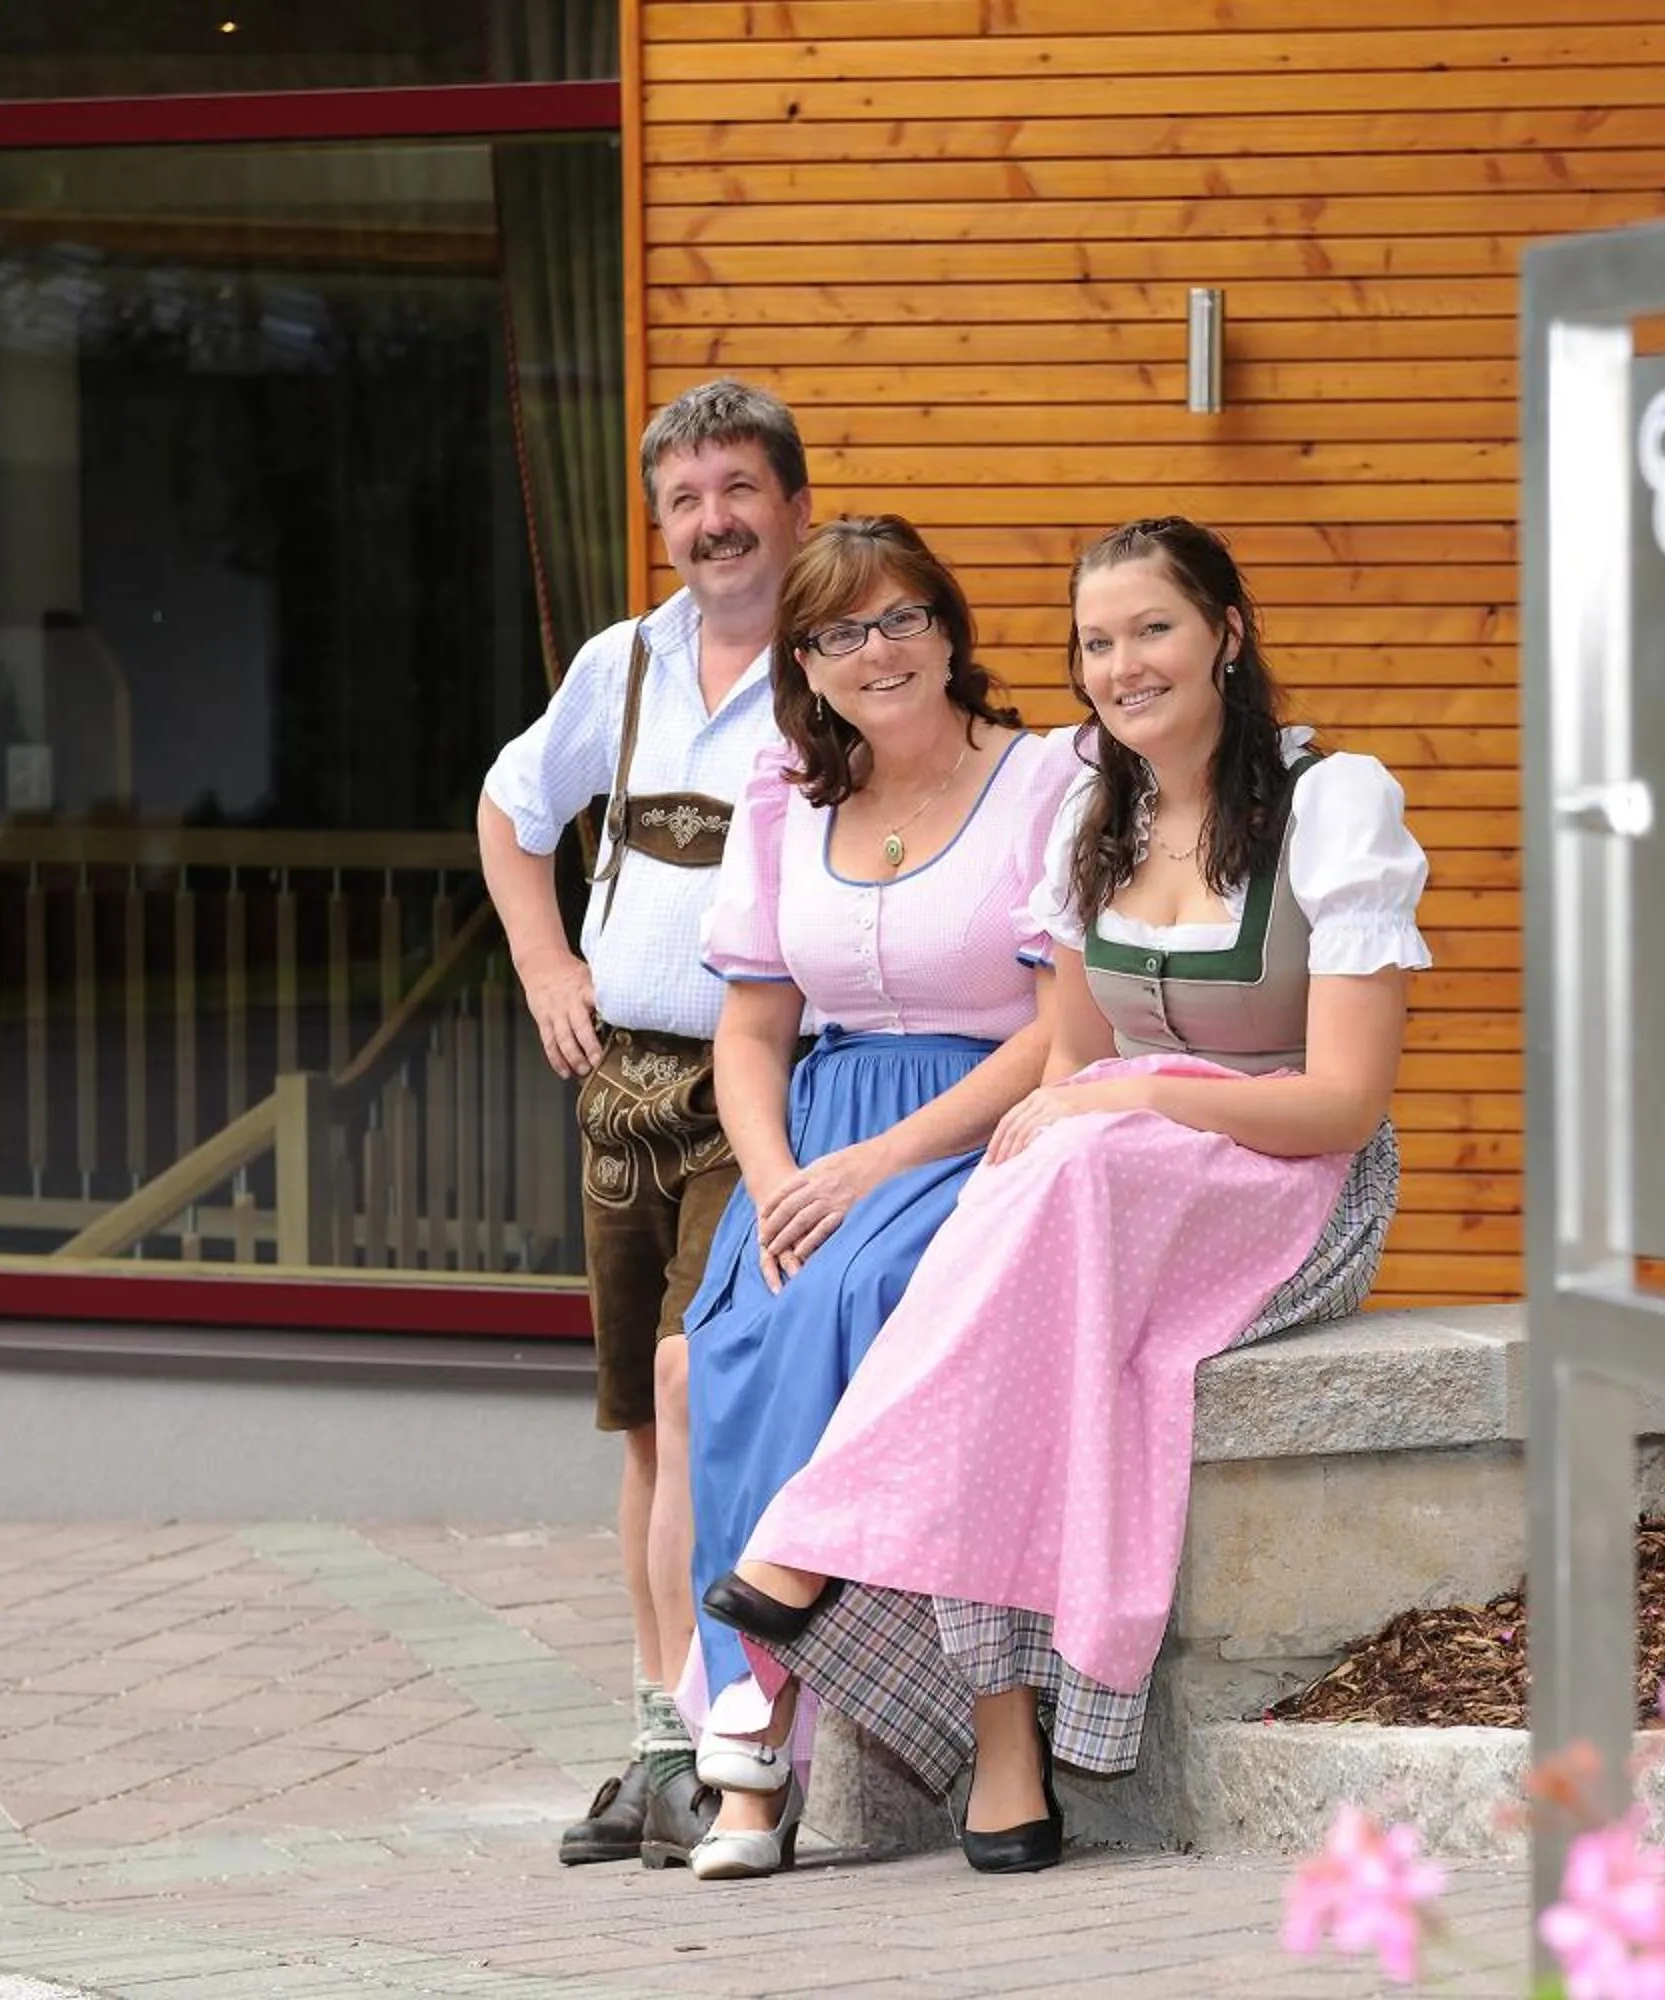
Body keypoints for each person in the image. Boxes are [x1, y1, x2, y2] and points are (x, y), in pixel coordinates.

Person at [698, 515, 1429, 1875]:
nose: (1124, 664)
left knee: (1065, 1163)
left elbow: (1343, 1106)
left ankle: (810, 1541)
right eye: (1097, 643)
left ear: (1228, 632)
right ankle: (1009, 1764)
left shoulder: (1331, 803)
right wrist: (1098, 1106)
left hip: (1294, 1188)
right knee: (1033, 1234)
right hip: (1132, 1179)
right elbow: (1075, 1068)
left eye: (1153, 628)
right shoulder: (1103, 815)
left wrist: (1140, 1096)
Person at [672, 515, 1074, 1881]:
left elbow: (1059, 1033)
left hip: (980, 1133)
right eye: (838, 632)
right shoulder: (787, 801)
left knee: (875, 1303)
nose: (875, 650)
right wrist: (781, 1177)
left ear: (950, 631)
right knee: (735, 1343)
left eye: (899, 617)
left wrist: (878, 1165)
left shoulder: (1047, 781)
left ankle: (775, 1735)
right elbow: (748, 1035)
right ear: (806, 662)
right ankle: (751, 1735)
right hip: (814, 1150)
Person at [476, 379, 809, 1870]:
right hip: (623, 1088)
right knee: (635, 1428)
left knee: (694, 1393)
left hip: (770, 1087)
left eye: (737, 488)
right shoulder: (619, 667)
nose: (712, 521)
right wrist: (548, 963)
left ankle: (727, 1733)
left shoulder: (840, 657)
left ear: (793, 504)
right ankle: (657, 1746)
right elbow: (509, 810)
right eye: (684, 499)